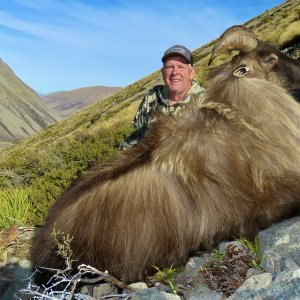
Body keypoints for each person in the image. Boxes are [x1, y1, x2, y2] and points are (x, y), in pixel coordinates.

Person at [120, 45, 205, 149]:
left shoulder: (206, 103)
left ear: (192, 73)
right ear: (163, 72)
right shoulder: (152, 96)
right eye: (169, 67)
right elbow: (131, 138)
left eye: (181, 67)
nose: (175, 72)